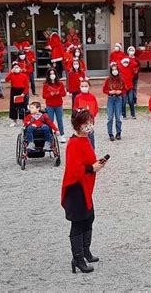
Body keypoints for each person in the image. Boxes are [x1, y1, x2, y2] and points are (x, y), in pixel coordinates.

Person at [61, 109, 106, 273]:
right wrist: (91, 168)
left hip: (84, 187)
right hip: (76, 188)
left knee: (89, 218)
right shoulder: (74, 143)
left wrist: (96, 165)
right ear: (78, 126)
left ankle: (86, 251)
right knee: (78, 222)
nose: (89, 126)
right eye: (86, 124)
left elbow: (87, 161)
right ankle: (77, 258)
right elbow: (74, 169)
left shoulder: (86, 140)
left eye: (90, 123)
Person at [42, 67, 67, 143]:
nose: (52, 75)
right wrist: (50, 94)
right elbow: (44, 96)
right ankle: (49, 136)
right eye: (50, 74)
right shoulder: (46, 85)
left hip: (58, 105)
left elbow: (64, 94)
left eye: (53, 73)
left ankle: (62, 135)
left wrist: (58, 93)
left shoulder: (60, 84)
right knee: (50, 120)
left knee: (60, 120)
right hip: (50, 105)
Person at [102, 64, 126, 141]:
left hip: (118, 99)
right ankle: (110, 133)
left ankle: (118, 133)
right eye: (113, 70)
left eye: (115, 70)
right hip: (110, 99)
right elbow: (104, 90)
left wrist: (120, 91)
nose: (114, 71)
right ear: (111, 71)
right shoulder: (108, 80)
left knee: (118, 117)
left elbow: (125, 89)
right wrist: (110, 91)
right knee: (110, 117)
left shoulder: (121, 79)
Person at [74, 80, 99, 149]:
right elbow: (75, 109)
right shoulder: (77, 97)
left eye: (85, 86)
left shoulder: (92, 97)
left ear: (89, 87)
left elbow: (96, 108)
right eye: (82, 86)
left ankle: (92, 154)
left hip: (90, 122)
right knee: (81, 140)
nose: (84, 87)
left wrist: (91, 117)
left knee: (91, 139)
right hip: (81, 122)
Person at [5, 61, 29, 127]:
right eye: (15, 67)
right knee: (13, 107)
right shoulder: (12, 75)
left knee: (23, 107)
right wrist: (11, 72)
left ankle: (23, 121)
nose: (16, 68)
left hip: (22, 91)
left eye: (17, 67)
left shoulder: (24, 75)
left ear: (20, 68)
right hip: (14, 90)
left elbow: (27, 86)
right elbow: (6, 79)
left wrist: (24, 93)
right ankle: (14, 121)